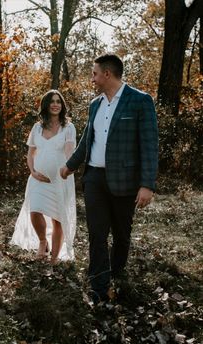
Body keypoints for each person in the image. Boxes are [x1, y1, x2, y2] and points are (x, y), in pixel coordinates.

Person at [60, 54, 158, 303]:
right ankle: (99, 286)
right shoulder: (95, 104)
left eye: (94, 74)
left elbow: (149, 144)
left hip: (125, 180)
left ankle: (117, 272)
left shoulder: (140, 101)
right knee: (97, 233)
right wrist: (69, 166)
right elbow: (86, 140)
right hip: (94, 178)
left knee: (121, 234)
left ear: (107, 74)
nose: (92, 79)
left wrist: (147, 184)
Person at [10, 90, 76, 265]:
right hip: (38, 178)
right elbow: (31, 154)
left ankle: (54, 258)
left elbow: (70, 150)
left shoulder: (68, 127)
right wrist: (33, 171)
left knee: (58, 218)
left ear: (62, 106)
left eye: (58, 102)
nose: (55, 104)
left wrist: (68, 167)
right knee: (35, 211)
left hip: (60, 180)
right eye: (52, 101)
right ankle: (42, 241)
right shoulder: (37, 127)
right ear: (45, 105)